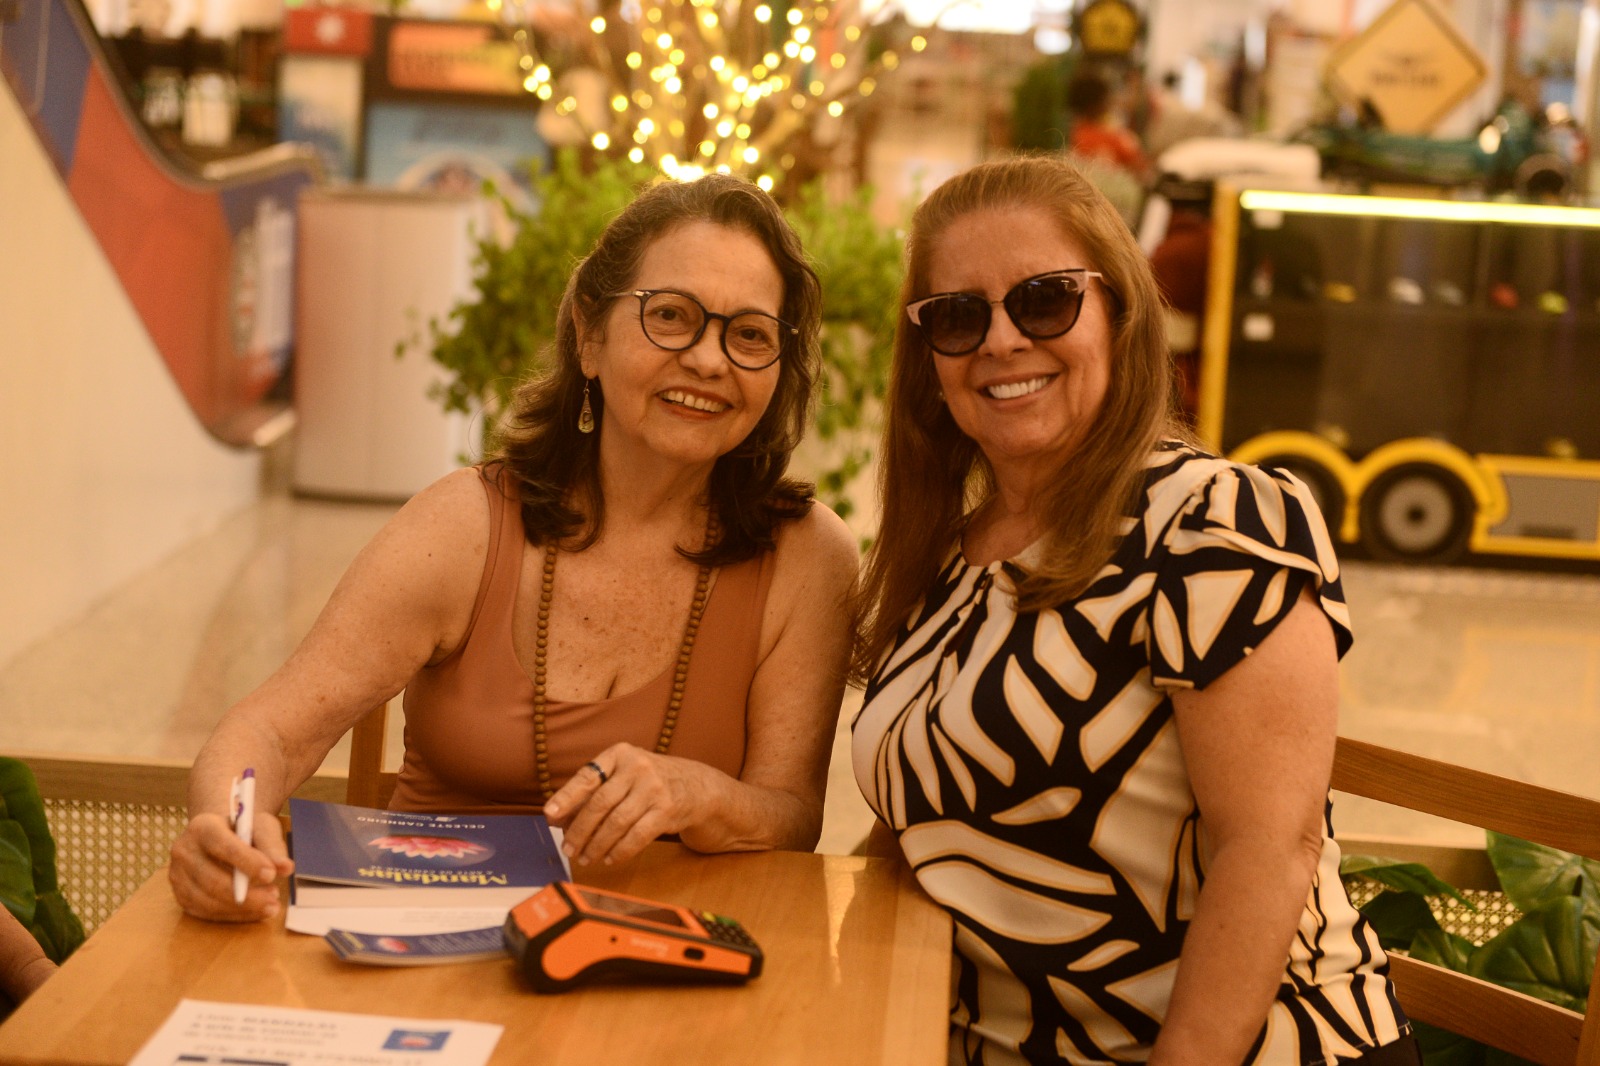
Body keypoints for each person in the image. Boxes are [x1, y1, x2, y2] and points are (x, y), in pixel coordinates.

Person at [171, 174, 859, 922]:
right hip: (412, 940)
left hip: (655, 956)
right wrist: (227, 831)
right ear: (589, 335)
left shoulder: (807, 558)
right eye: (670, 315)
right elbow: (269, 731)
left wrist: (700, 793)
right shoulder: (465, 527)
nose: (709, 359)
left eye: (750, 334)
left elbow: (792, 814)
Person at [851, 156, 1417, 1064]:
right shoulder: (944, 559)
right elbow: (913, 825)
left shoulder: (1215, 521)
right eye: (958, 316)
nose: (1001, 340)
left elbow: (1269, 853)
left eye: (1044, 300)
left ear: (1118, 314)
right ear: (929, 361)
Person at [1066, 71, 1149, 182]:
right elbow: (1140, 166)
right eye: (1106, 98)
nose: (1109, 101)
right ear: (1094, 104)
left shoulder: (1076, 134)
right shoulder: (1109, 137)